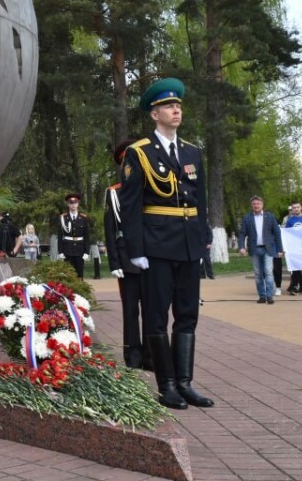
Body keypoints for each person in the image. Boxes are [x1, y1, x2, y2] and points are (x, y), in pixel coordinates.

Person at [119, 77, 214, 411]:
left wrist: (204, 239)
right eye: (169, 107)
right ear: (154, 113)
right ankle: (167, 385)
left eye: (179, 106)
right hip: (157, 246)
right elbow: (130, 207)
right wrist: (136, 251)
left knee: (187, 314)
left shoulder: (192, 152)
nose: (177, 110)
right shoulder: (139, 153)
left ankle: (185, 383)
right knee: (157, 317)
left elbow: (199, 199)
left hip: (188, 245)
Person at [105, 139, 152, 370]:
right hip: (126, 256)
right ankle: (133, 355)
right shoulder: (114, 193)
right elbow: (110, 228)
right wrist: (114, 261)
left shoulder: (152, 187)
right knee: (131, 309)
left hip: (152, 253)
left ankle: (152, 355)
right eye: (126, 161)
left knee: (153, 308)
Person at [237, 196, 282, 304]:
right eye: (254, 204)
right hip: (255, 249)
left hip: (268, 249)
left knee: (268, 271)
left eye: (258, 204)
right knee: (258, 273)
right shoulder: (247, 217)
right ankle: (262, 296)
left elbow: (277, 233)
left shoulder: (270, 217)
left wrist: (280, 249)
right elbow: (242, 233)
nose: (256, 206)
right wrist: (241, 247)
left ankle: (269, 296)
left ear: (262, 205)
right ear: (251, 205)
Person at [57, 193, 91, 279]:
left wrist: (86, 252)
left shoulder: (83, 218)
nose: (73, 204)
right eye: (71, 202)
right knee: (68, 275)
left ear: (78, 203)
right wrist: (60, 252)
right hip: (67, 250)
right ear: (68, 204)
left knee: (79, 275)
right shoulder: (63, 218)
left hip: (80, 250)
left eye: (75, 202)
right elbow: (60, 236)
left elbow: (87, 236)